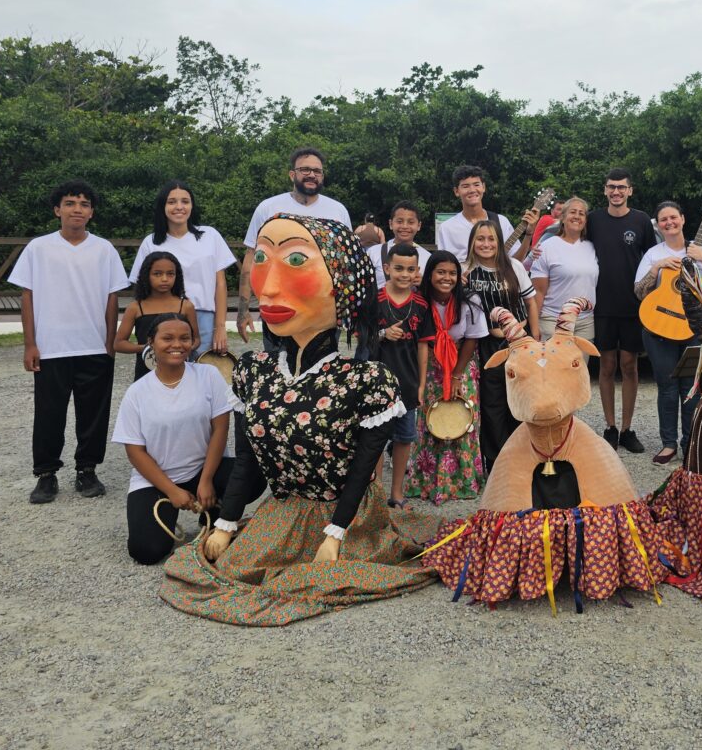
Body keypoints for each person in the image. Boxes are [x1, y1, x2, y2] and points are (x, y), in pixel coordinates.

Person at [160, 214, 437, 625]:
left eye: (294, 260)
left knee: (315, 576)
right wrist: (226, 521)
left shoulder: (366, 380)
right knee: (235, 566)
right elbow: (249, 460)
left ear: (341, 283)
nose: (268, 285)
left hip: (346, 516)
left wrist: (336, 532)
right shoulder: (255, 371)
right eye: (262, 260)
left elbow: (363, 471)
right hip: (283, 511)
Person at [8, 180, 128, 503]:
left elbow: (112, 298)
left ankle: (87, 470)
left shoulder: (104, 250)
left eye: (85, 204)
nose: (78, 209)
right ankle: (46, 475)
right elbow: (27, 297)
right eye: (71, 202)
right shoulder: (39, 248)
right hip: (51, 347)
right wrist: (30, 343)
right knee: (49, 413)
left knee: (93, 413)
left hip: (93, 346)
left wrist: (110, 340)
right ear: (57, 209)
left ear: (91, 213)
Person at [111, 313, 234, 564]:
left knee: (250, 476)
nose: (176, 345)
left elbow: (220, 429)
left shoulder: (208, 375)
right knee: (147, 551)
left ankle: (212, 513)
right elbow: (135, 451)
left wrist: (207, 480)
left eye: (184, 338)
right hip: (157, 480)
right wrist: (172, 491)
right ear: (151, 342)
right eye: (167, 338)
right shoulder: (137, 393)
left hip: (203, 470)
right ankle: (173, 508)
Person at [635, 200, 702, 465]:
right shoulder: (653, 254)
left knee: (691, 389)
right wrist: (656, 269)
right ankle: (668, 444)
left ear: (683, 219)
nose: (669, 223)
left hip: (693, 332)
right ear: (658, 225)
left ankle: (691, 442)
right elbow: (639, 292)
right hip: (660, 328)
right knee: (666, 387)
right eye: (663, 219)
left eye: (673, 217)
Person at [237, 147, 352, 341]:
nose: (311, 175)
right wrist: (243, 310)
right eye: (305, 170)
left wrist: (346, 309)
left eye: (317, 171)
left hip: (323, 315)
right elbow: (251, 259)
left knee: (322, 369)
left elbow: (345, 263)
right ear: (292, 174)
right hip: (279, 309)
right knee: (279, 366)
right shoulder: (268, 208)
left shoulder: (338, 211)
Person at [405, 251, 488, 504]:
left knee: (462, 418)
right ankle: (428, 480)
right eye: (441, 272)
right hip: (429, 365)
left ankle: (462, 480)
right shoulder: (418, 302)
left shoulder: (469, 300)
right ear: (429, 274)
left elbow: (473, 337)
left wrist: (457, 374)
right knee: (431, 419)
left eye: (452, 273)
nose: (447, 278)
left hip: (461, 364)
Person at [586, 168, 657, 453]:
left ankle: (628, 429)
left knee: (629, 366)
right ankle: (610, 427)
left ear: (630, 190)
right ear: (604, 190)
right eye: (611, 187)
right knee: (606, 366)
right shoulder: (593, 220)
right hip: (601, 305)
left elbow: (653, 260)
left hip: (632, 306)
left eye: (621, 187)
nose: (616, 192)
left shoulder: (640, 220)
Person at [464, 219, 542, 472]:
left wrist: (536, 335)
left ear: (499, 242)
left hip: (519, 342)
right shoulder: (465, 271)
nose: (486, 244)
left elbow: (530, 303)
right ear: (472, 243)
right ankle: (497, 464)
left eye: (491, 239)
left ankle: (523, 460)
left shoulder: (514, 266)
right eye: (480, 239)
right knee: (493, 405)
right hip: (486, 346)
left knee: (519, 402)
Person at [127, 180, 236, 357]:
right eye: (172, 202)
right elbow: (141, 287)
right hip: (163, 317)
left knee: (202, 373)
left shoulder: (210, 236)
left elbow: (221, 285)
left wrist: (220, 327)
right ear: (163, 206)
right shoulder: (151, 242)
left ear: (192, 206)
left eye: (185, 201)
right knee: (168, 375)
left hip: (204, 317)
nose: (179, 207)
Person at [373, 243, 433, 508]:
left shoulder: (421, 304)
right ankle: (374, 491)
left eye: (410, 269)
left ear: (417, 270)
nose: (404, 274)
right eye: (398, 268)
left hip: (407, 383)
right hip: (375, 383)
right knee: (374, 439)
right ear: (387, 268)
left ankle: (396, 493)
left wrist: (421, 385)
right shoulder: (373, 299)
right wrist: (383, 334)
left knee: (404, 438)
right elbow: (361, 338)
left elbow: (423, 346)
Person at [115, 252, 198, 382]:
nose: (164, 279)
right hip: (146, 371)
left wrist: (182, 348)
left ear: (177, 276)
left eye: (170, 274)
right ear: (146, 276)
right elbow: (119, 344)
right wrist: (147, 348)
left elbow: (196, 339)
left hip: (180, 370)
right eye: (157, 274)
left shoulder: (186, 306)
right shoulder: (136, 307)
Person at [434, 164, 537, 263]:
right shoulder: (447, 228)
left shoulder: (501, 222)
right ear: (456, 191)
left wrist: (528, 235)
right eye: (465, 186)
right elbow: (443, 265)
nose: (472, 190)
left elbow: (516, 262)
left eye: (476, 184)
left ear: (483, 187)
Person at [530, 196, 599, 341]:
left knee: (580, 364)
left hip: (585, 324)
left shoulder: (592, 247)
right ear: (563, 217)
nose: (577, 216)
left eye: (581, 214)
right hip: (553, 321)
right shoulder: (547, 247)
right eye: (573, 212)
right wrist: (535, 328)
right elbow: (538, 292)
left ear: (585, 220)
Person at [366, 200, 431, 285]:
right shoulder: (373, 253)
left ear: (419, 226)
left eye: (411, 222)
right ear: (391, 224)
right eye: (399, 221)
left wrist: (424, 284)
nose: (404, 226)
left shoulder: (427, 258)